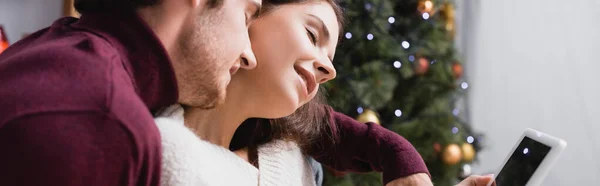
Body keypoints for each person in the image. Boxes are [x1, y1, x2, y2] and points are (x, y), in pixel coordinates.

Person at [0, 0, 492, 185]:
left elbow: (340, 133)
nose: (328, 70)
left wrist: (398, 155)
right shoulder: (111, 121)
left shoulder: (291, 150)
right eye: (247, 12)